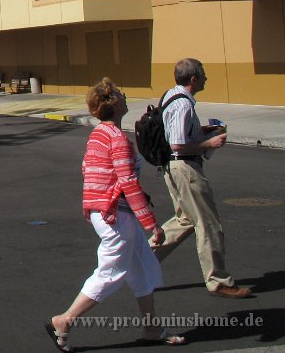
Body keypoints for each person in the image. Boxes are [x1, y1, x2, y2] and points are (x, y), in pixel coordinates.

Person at [46, 79, 185, 350]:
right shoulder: (117, 138)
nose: (125, 96)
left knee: (142, 268)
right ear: (113, 104)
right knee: (111, 270)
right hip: (114, 213)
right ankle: (64, 320)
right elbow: (128, 182)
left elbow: (88, 169)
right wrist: (151, 224)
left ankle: (151, 329)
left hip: (109, 210)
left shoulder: (99, 134)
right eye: (121, 94)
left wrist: (115, 194)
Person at [153, 58, 250, 298]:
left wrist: (201, 131)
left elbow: (176, 134)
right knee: (207, 223)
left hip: (173, 167)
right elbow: (177, 143)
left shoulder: (170, 96)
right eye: (204, 74)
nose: (207, 78)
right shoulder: (183, 105)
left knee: (185, 220)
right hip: (185, 168)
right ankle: (218, 281)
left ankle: (140, 263)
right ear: (194, 79)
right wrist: (209, 142)